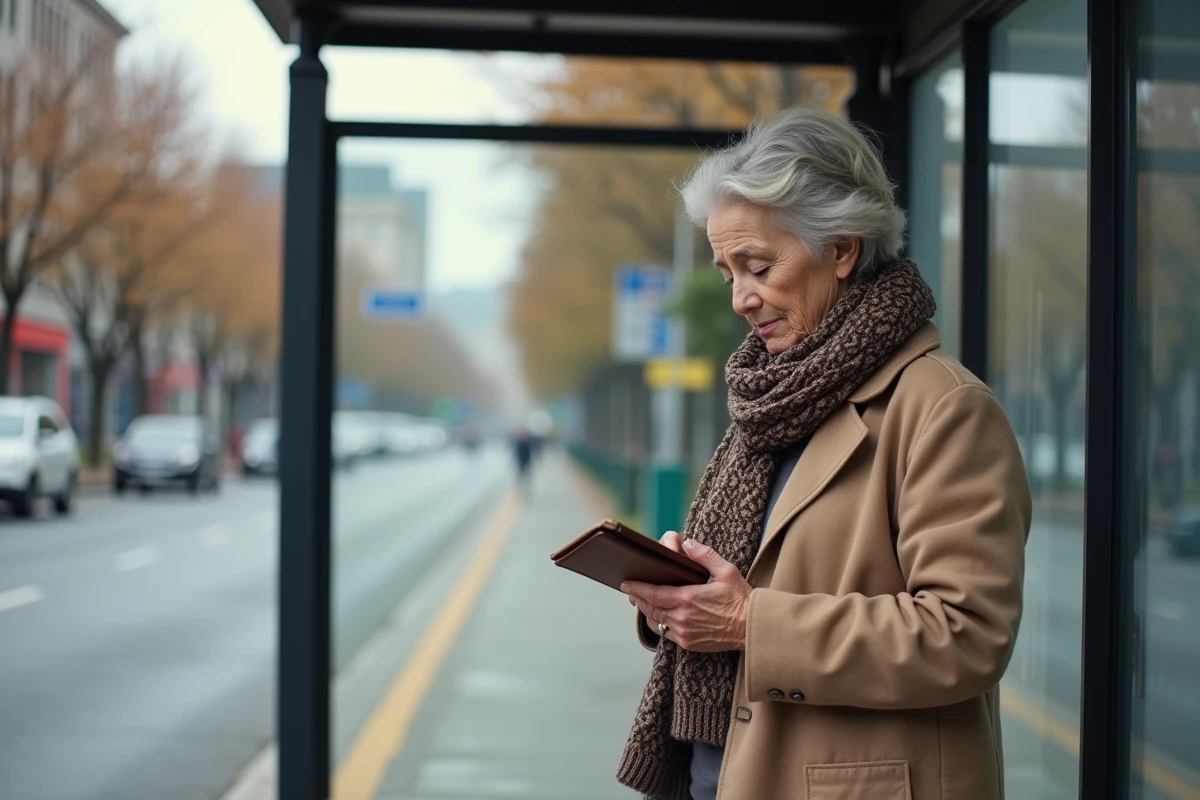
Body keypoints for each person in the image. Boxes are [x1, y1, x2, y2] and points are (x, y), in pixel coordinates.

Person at [617, 108, 1031, 800]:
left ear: (841, 249)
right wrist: (680, 598)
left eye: (758, 267)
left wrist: (748, 623)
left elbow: (967, 635)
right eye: (727, 272)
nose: (740, 299)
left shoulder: (944, 407)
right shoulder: (771, 394)